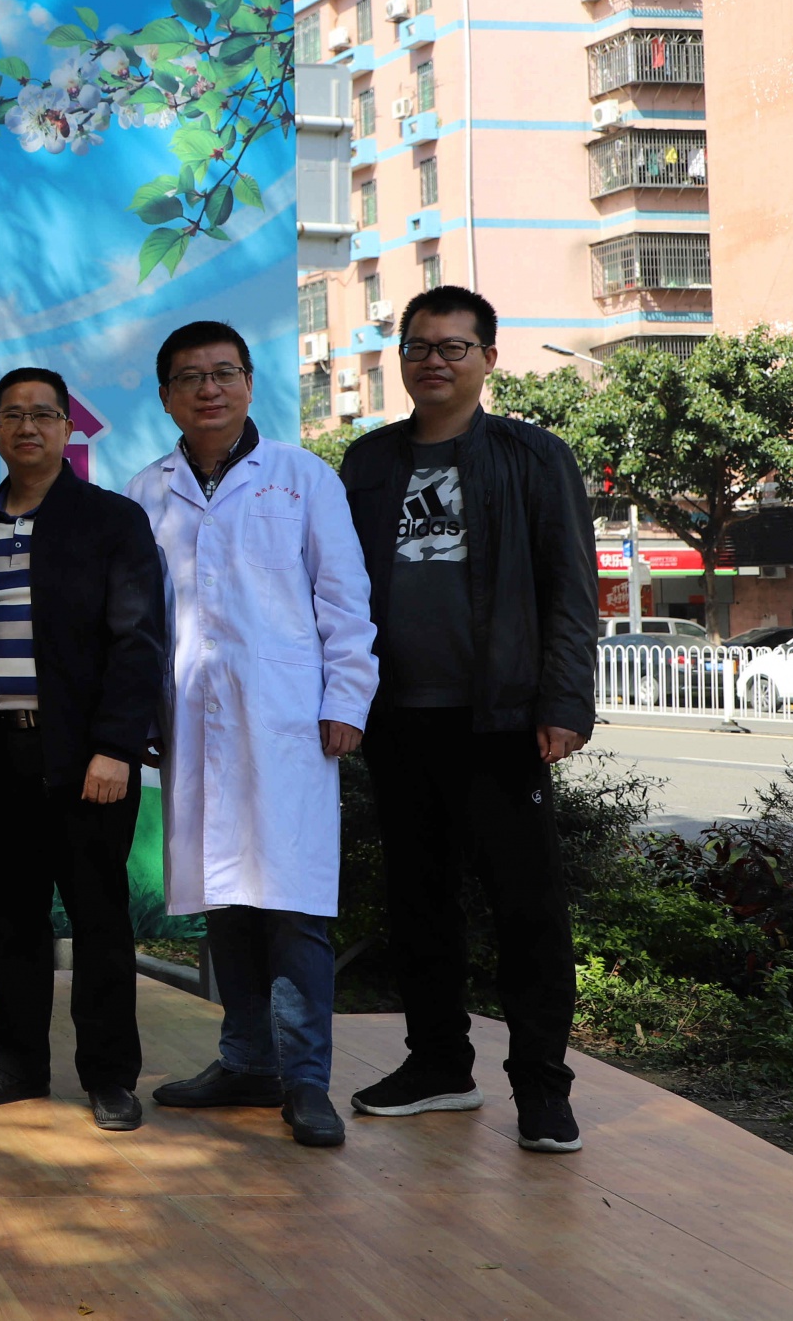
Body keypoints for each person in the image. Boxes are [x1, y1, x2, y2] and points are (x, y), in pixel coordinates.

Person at [338, 286, 599, 1154]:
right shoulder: (368, 462)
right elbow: (338, 591)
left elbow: (571, 589)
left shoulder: (533, 456)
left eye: (454, 346)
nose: (435, 361)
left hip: (501, 721)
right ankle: (439, 1064)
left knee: (527, 909)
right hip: (397, 718)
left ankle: (543, 1087)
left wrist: (563, 702)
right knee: (418, 902)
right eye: (419, 346)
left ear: (488, 357)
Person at [126, 322, 377, 1149]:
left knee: (293, 906)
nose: (209, 389)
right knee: (226, 900)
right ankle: (246, 1061)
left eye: (223, 372)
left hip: (288, 723)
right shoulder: (147, 491)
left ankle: (305, 1081)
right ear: (166, 395)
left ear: (248, 382)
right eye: (190, 377)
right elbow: (137, 622)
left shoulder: (304, 478)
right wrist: (139, 717)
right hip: (192, 723)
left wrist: (348, 699)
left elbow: (344, 600)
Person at [0, 367, 169, 1133]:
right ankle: (17, 1062)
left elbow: (138, 641)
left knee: (99, 920)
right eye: (12, 415)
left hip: (86, 761)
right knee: (7, 919)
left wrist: (116, 746)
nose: (28, 427)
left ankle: (109, 1076)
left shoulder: (111, 521)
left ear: (69, 428)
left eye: (43, 414)